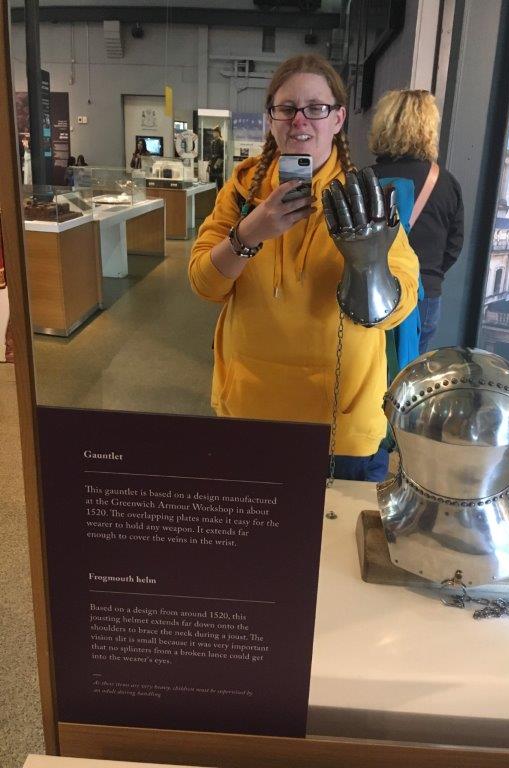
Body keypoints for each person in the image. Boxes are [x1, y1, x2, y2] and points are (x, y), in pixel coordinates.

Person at [189, 54, 419, 482]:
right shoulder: (241, 192)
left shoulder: (364, 198)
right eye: (287, 108)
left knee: (336, 528)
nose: (300, 121)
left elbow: (399, 304)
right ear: (271, 119)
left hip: (341, 424)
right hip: (249, 411)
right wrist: (250, 232)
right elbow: (204, 283)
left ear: (338, 118)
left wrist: (369, 263)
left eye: (316, 108)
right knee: (252, 523)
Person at [369, 89, 464, 353]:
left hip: (373, 294)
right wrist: (427, 275)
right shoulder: (446, 183)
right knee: (411, 371)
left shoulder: (363, 180)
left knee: (369, 366)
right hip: (424, 297)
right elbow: (454, 246)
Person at [207, 126, 225, 191]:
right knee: (211, 186)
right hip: (212, 166)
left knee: (220, 186)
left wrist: (216, 165)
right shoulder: (212, 143)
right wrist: (209, 165)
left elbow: (222, 156)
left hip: (218, 167)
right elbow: (211, 156)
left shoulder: (221, 142)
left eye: (215, 132)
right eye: (213, 132)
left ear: (218, 133)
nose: (213, 133)